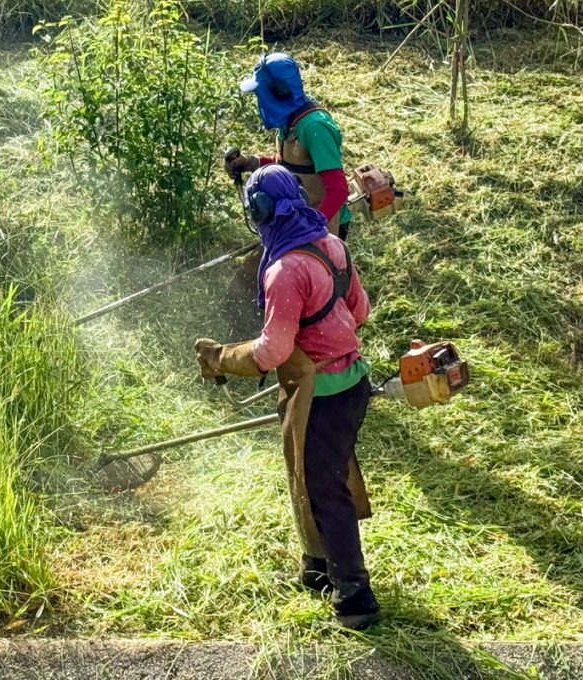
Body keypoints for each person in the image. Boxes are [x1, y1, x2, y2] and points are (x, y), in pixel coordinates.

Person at [195, 164, 380, 630]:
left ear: (260, 212)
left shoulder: (283, 270)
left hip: (322, 393)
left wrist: (224, 357)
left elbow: (273, 350)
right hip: (350, 382)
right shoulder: (331, 245)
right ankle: (318, 568)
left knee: (325, 491)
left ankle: (355, 598)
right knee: (309, 471)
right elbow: (360, 310)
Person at [225, 51, 353, 239]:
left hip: (323, 225)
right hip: (299, 218)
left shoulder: (314, 128)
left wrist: (312, 225)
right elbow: (292, 165)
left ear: (278, 92)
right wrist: (252, 163)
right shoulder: (291, 118)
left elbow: (338, 189)